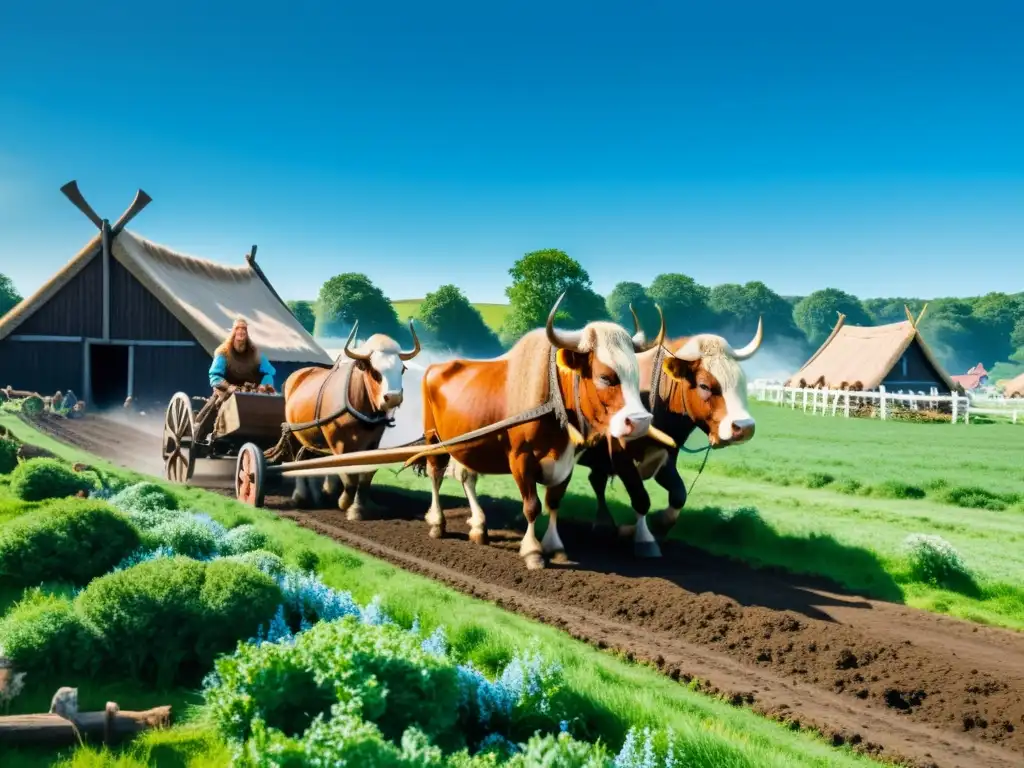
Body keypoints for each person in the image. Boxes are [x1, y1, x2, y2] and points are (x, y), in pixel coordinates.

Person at [208, 317, 277, 395]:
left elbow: (269, 372)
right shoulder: (223, 352)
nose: (240, 331)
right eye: (237, 328)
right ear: (233, 331)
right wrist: (228, 387)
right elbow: (215, 375)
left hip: (253, 394)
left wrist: (263, 385)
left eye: (243, 328)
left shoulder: (255, 354)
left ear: (246, 332)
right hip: (228, 394)